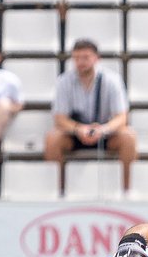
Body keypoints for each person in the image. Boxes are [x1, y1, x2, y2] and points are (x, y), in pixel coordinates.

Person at [45, 39, 136, 190]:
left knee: (128, 137)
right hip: (74, 134)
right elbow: (59, 118)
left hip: (105, 133)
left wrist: (103, 129)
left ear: (97, 58)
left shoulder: (112, 80)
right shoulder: (64, 81)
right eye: (76, 58)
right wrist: (78, 129)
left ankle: (126, 189)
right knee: (53, 138)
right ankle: (57, 190)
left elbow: (121, 117)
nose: (80, 62)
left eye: (85, 57)